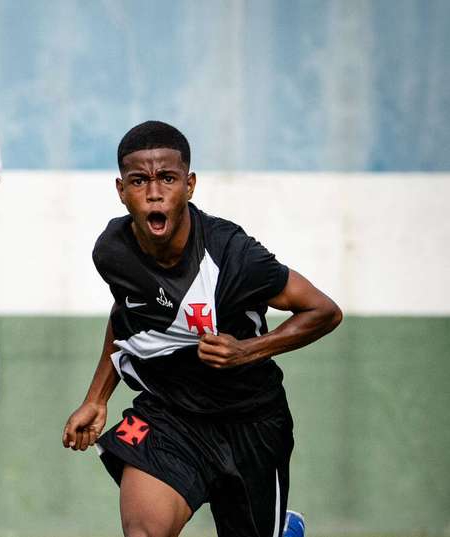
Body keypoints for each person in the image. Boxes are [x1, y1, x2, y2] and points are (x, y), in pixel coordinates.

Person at [62, 121, 342, 537]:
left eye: (167, 179)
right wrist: (97, 397)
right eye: (139, 181)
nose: (154, 192)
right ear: (121, 191)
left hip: (251, 421)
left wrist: (248, 351)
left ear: (189, 185)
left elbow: (324, 311)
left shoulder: (234, 256)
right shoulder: (113, 251)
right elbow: (128, 315)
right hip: (169, 414)